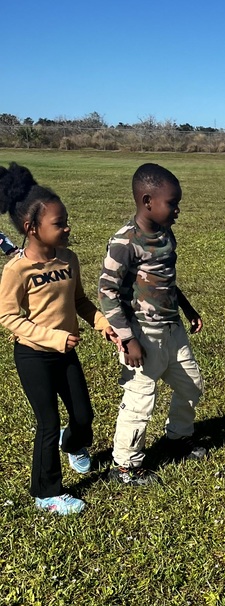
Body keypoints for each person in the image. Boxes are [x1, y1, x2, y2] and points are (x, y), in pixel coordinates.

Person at [0, 163, 118, 515]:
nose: (67, 227)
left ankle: (74, 445)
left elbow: (79, 300)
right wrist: (52, 337)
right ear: (30, 228)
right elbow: (7, 316)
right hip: (34, 355)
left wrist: (102, 324)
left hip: (65, 353)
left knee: (83, 414)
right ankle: (46, 494)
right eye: (58, 223)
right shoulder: (17, 270)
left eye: (66, 220)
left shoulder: (69, 259)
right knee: (48, 423)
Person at [98, 163, 205, 486]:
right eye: (172, 203)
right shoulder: (124, 242)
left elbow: (165, 280)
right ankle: (126, 466)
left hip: (172, 329)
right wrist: (128, 339)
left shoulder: (164, 233)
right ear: (147, 201)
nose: (177, 210)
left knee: (192, 385)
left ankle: (177, 438)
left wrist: (187, 308)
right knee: (140, 400)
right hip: (143, 335)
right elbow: (107, 291)